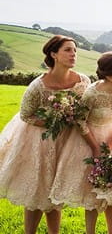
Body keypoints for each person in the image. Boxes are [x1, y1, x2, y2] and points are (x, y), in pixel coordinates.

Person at [0, 35, 91, 234]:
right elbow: (26, 115)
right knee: (38, 191)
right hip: (40, 141)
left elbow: (85, 111)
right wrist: (56, 121)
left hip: (68, 142)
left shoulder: (83, 81)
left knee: (54, 192)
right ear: (53, 54)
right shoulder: (37, 86)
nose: (73, 54)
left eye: (75, 50)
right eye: (68, 50)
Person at [49, 52, 112, 234]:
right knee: (92, 193)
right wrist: (96, 148)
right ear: (110, 76)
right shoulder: (93, 93)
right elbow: (80, 121)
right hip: (89, 139)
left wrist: (111, 146)